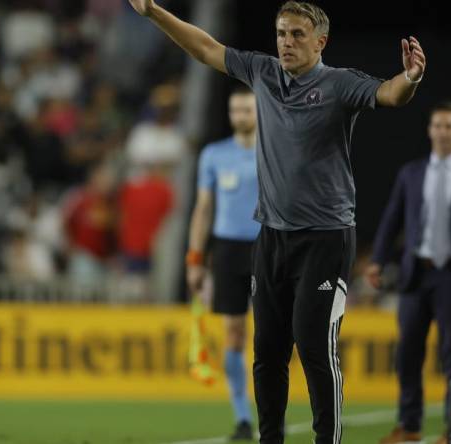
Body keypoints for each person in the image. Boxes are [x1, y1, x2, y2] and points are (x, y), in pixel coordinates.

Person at [128, 1, 426, 443]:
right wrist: (154, 13)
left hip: (326, 239)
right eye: (282, 33)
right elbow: (206, 48)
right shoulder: (263, 73)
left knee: (313, 347)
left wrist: (413, 77)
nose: (286, 42)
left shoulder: (340, 84)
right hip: (270, 237)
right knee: (267, 352)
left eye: (297, 35)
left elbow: (390, 93)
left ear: (320, 41)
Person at [365, 101, 451, 444]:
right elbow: (391, 218)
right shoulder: (411, 173)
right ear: (429, 130)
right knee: (408, 354)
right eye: (438, 125)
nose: (444, 132)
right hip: (415, 274)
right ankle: (409, 426)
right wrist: (377, 259)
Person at [186, 87, 259, 441]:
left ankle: (273, 408)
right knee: (234, 332)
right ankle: (243, 417)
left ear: (259, 112)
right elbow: (202, 208)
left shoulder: (274, 152)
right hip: (228, 250)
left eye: (247, 110)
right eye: (236, 111)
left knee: (276, 335)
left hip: (268, 247)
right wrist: (195, 258)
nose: (240, 116)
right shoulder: (214, 155)